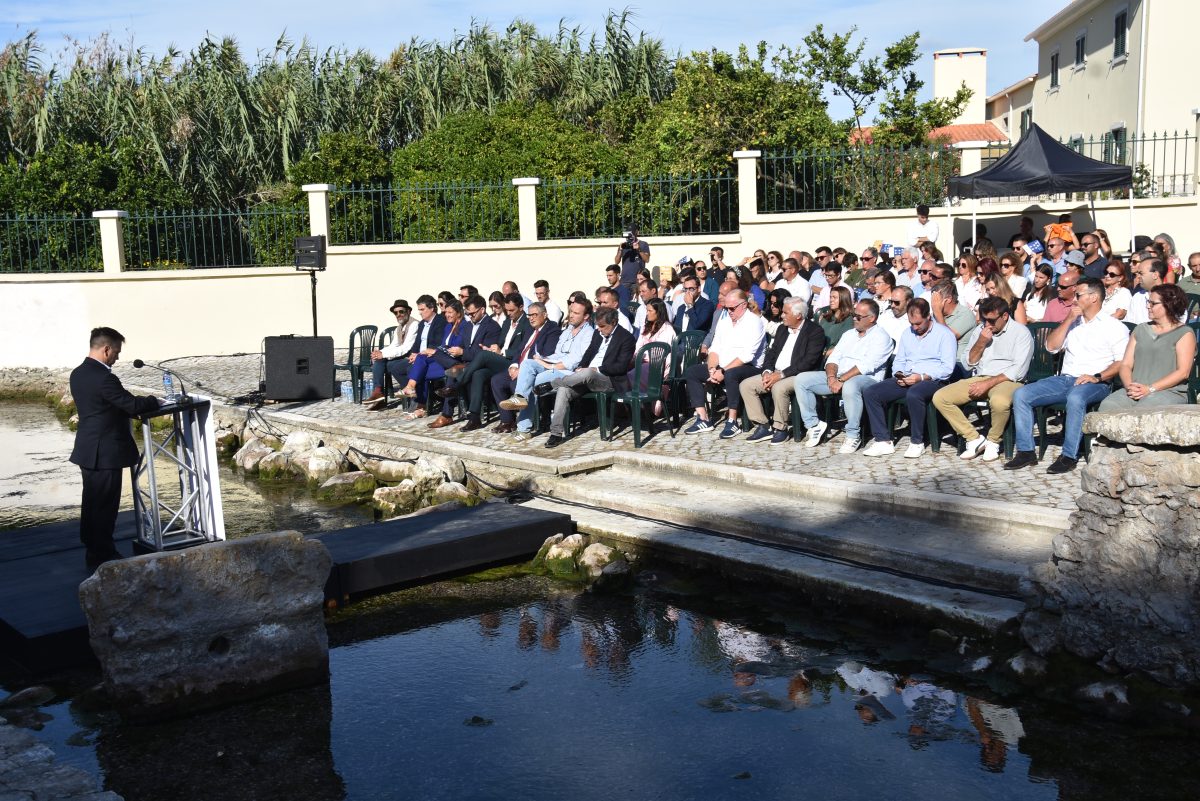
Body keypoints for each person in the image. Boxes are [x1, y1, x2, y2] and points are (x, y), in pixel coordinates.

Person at [1005, 278, 1129, 475]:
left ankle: (1068, 456)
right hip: (1065, 379)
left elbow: (1122, 362)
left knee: (1076, 397)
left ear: (1094, 297)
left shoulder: (1114, 326)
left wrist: (1097, 376)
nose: (1074, 299)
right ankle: (1026, 451)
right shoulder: (1073, 323)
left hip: (1096, 382)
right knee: (1022, 395)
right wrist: (1068, 319)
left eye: (1078, 295)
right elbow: (1051, 346)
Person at [70, 327, 162, 570]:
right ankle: (104, 555)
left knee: (91, 504)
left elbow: (105, 405)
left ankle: (93, 551)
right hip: (105, 451)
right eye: (116, 352)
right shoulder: (105, 378)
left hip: (87, 448)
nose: (118, 358)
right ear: (106, 349)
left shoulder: (78, 374)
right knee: (104, 507)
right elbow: (131, 405)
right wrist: (154, 401)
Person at [931, 297, 1034, 462]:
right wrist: (980, 342)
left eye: (992, 320)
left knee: (999, 402)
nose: (987, 324)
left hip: (1007, 380)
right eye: (984, 319)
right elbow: (968, 363)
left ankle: (993, 441)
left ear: (1005, 316)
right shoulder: (980, 330)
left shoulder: (1021, 332)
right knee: (941, 397)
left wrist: (988, 383)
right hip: (980, 377)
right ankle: (974, 438)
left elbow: (1019, 370)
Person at [861, 298, 958, 458]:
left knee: (915, 393)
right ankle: (882, 440)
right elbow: (900, 360)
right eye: (912, 323)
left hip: (933, 380)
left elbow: (947, 368)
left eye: (918, 323)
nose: (915, 327)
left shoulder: (945, 335)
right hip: (908, 376)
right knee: (872, 392)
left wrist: (920, 377)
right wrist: (899, 374)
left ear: (928, 317)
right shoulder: (908, 333)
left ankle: (917, 442)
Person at [792, 299, 893, 453]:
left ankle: (853, 434)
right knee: (802, 379)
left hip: (868, 380)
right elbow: (833, 359)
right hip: (839, 377)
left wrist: (841, 379)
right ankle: (814, 425)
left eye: (858, 316)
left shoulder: (881, 337)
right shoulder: (848, 334)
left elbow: (866, 366)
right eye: (854, 314)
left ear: (871, 318)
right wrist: (832, 378)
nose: (854, 318)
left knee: (851, 385)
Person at [499, 299, 595, 439]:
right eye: (570, 312)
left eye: (576, 313)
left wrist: (550, 365)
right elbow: (557, 353)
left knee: (532, 381)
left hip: (567, 372)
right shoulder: (568, 330)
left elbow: (575, 361)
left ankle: (523, 429)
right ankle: (520, 397)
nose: (571, 315)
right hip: (554, 365)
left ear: (585, 316)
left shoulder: (588, 333)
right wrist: (543, 359)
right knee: (528, 364)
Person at [438, 292, 533, 431]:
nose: (509, 313)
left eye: (512, 310)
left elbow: (524, 348)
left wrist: (502, 352)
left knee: (482, 355)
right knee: (478, 374)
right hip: (496, 361)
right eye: (507, 310)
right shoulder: (507, 322)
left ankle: (457, 385)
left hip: (512, 362)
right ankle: (476, 418)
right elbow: (499, 344)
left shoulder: (526, 323)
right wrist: (494, 348)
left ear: (521, 307)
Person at [544, 307, 636, 448]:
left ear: (614, 322)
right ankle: (555, 434)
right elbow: (589, 353)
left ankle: (552, 384)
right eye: (597, 326)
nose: (599, 329)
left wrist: (596, 369)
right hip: (585, 378)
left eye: (603, 326)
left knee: (588, 374)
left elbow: (621, 367)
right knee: (563, 390)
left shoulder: (626, 338)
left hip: (609, 380)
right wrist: (581, 366)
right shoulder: (598, 334)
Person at [740, 297, 826, 444]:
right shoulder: (782, 329)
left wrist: (780, 375)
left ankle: (781, 428)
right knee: (746, 385)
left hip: (798, 375)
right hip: (775, 372)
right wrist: (767, 371)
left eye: (786, 313)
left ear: (798, 315)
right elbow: (771, 353)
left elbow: (808, 362)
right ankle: (763, 425)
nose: (782, 315)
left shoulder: (814, 331)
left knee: (779, 387)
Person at [682, 290, 766, 437]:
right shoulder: (724, 321)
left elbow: (747, 356)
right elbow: (715, 349)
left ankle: (732, 421)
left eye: (732, 308)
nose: (729, 311)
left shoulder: (754, 322)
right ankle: (703, 418)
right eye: (726, 307)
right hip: (723, 365)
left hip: (750, 367)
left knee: (731, 374)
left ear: (744, 305)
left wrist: (723, 371)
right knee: (692, 371)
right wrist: (712, 369)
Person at [1099, 284, 1196, 411]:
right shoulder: (1140, 330)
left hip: (1168, 391)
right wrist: (1130, 387)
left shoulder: (1184, 333)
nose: (1148, 306)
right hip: (1135, 389)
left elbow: (1183, 372)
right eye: (1148, 302)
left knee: (1144, 410)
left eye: (1153, 303)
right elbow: (1126, 364)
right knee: (1108, 406)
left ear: (1169, 305)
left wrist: (1150, 388)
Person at [427, 295, 502, 429]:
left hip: (484, 365)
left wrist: (462, 353)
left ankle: (458, 413)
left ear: (482, 310)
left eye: (473, 313)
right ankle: (447, 413)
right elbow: (463, 346)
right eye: (468, 313)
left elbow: (485, 354)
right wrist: (455, 351)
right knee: (446, 361)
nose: (471, 316)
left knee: (461, 373)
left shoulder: (492, 327)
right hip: (466, 362)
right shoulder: (468, 326)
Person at [488, 303, 561, 434]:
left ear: (544, 315)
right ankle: (507, 421)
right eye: (529, 315)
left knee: (516, 383)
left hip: (536, 369)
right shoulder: (530, 329)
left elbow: (546, 354)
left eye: (535, 315)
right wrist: (514, 365)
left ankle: (527, 421)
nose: (531, 318)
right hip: (519, 367)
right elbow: (519, 350)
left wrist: (522, 369)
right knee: (497, 380)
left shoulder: (552, 329)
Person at [398, 299, 469, 416]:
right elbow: (443, 345)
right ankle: (414, 393)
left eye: (450, 312)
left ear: (459, 313)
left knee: (419, 370)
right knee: (420, 360)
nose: (447, 315)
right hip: (443, 359)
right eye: (446, 312)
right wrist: (434, 351)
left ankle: (420, 403)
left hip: (455, 362)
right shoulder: (448, 326)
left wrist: (436, 351)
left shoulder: (464, 326)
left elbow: (456, 347)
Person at [364, 299, 418, 408]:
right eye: (396, 313)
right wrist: (379, 353)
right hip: (403, 357)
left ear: (408, 311)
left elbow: (405, 348)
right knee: (379, 361)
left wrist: (383, 355)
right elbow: (394, 345)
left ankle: (380, 394)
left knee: (387, 365)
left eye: (401, 312)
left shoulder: (414, 324)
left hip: (412, 358)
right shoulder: (399, 328)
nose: (399, 315)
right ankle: (378, 392)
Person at [817, 286, 856, 355]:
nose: (831, 300)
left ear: (843, 299)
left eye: (834, 297)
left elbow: (844, 345)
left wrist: (825, 354)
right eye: (830, 297)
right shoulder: (825, 317)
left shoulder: (848, 321)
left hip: (829, 357)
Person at [1126, 259, 1168, 324]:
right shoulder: (1138, 296)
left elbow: (1179, 325)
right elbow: (1129, 323)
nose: (1138, 276)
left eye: (1141, 273)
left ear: (1155, 275)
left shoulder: (1171, 297)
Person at [616, 227, 650, 305]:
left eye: (631, 233)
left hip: (638, 280)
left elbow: (647, 259)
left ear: (636, 232)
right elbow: (616, 261)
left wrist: (639, 249)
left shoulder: (643, 244)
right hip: (625, 280)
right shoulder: (623, 245)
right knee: (623, 303)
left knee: (637, 303)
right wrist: (621, 250)